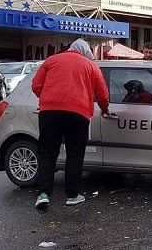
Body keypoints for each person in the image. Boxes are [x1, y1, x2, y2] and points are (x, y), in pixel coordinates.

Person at [32, 38, 110, 208]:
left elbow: (36, 85)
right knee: (74, 155)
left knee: (47, 153)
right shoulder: (90, 66)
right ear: (85, 51)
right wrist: (105, 109)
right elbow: (102, 93)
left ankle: (43, 194)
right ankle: (72, 195)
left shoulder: (51, 60)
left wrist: (49, 100)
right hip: (78, 114)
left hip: (49, 113)